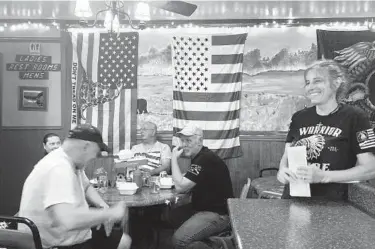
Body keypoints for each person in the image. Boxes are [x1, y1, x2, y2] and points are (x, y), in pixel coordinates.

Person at [19, 124, 131, 249]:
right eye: (95, 153)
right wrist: (111, 213)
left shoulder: (70, 161)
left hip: (66, 236)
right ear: (85, 147)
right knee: (122, 241)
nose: (94, 158)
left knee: (123, 240)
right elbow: (67, 220)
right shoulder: (59, 168)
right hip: (53, 244)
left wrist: (102, 205)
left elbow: (87, 186)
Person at [277, 60, 375, 200]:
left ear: (336, 83)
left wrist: (324, 177)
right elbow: (286, 157)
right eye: (308, 82)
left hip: (334, 205)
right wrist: (282, 171)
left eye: (317, 81)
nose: (310, 87)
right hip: (294, 200)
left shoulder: (355, 117)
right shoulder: (299, 117)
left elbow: (371, 169)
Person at [170, 123, 234, 249]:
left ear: (199, 141)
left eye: (188, 140)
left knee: (178, 241)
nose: (184, 145)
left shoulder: (204, 159)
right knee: (170, 217)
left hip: (217, 214)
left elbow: (180, 187)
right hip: (204, 209)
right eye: (182, 141)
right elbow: (189, 180)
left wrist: (173, 159)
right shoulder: (201, 156)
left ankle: (217, 244)